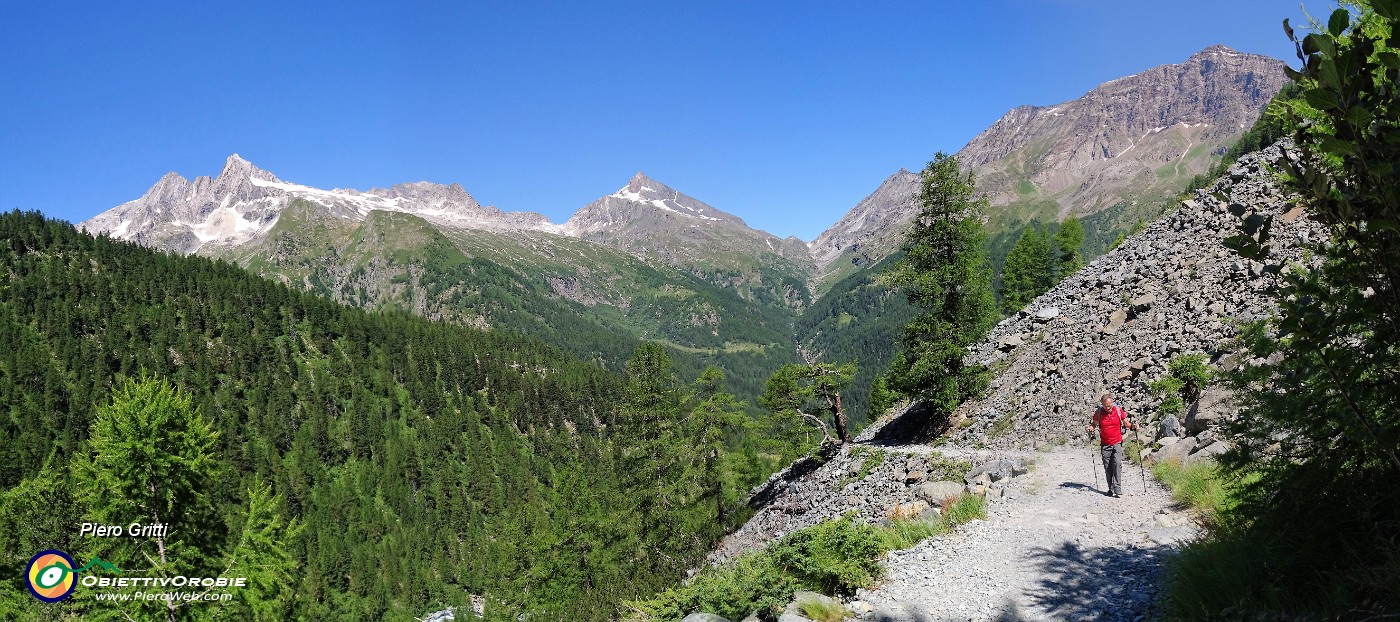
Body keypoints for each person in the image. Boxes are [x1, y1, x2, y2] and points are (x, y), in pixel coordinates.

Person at [1086, 393, 1136, 497]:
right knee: (1107, 467)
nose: (1108, 408)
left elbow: (1126, 424)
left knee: (1117, 463)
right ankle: (1111, 488)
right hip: (1105, 444)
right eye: (1106, 406)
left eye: (1110, 405)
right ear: (1102, 405)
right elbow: (1094, 424)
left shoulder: (1118, 410)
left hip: (1117, 442)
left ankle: (1117, 488)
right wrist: (1090, 428)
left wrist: (1133, 426)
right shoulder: (1099, 412)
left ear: (1112, 402)